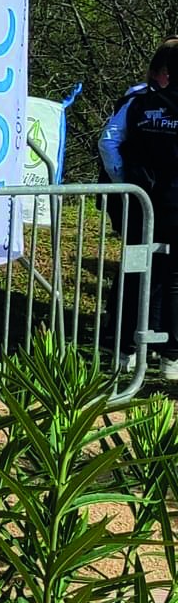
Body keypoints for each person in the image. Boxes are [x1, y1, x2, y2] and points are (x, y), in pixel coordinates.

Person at [104, 38, 178, 368]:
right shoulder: (137, 100)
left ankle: (126, 350)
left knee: (137, 271)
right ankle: (169, 357)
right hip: (166, 204)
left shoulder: (137, 103)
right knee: (169, 277)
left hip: (141, 202)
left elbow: (108, 142)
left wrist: (126, 184)